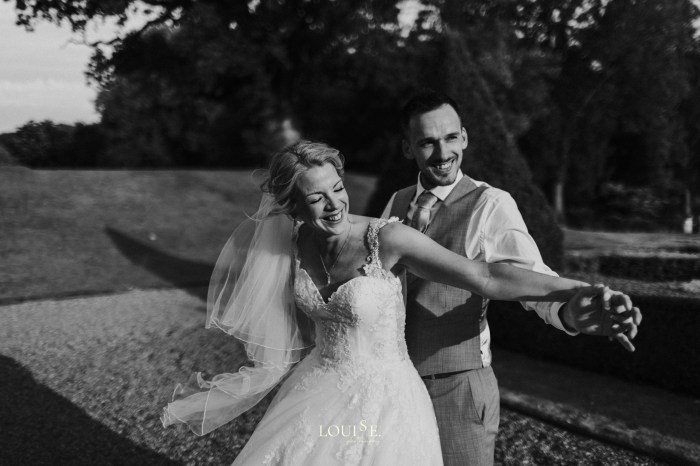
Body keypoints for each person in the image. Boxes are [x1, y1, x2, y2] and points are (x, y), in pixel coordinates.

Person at [162, 140, 639, 465]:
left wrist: (575, 290)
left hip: (388, 401)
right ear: (293, 207)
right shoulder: (286, 248)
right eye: (317, 198)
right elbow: (293, 330)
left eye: (338, 189)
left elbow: (486, 276)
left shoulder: (386, 239)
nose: (335, 204)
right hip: (316, 391)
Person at [382, 89, 643, 466]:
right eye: (427, 142)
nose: (442, 153)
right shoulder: (395, 202)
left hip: (455, 390)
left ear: (465, 137)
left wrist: (570, 312)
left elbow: (528, 279)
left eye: (451, 137)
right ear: (408, 148)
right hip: (395, 385)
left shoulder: (490, 204)